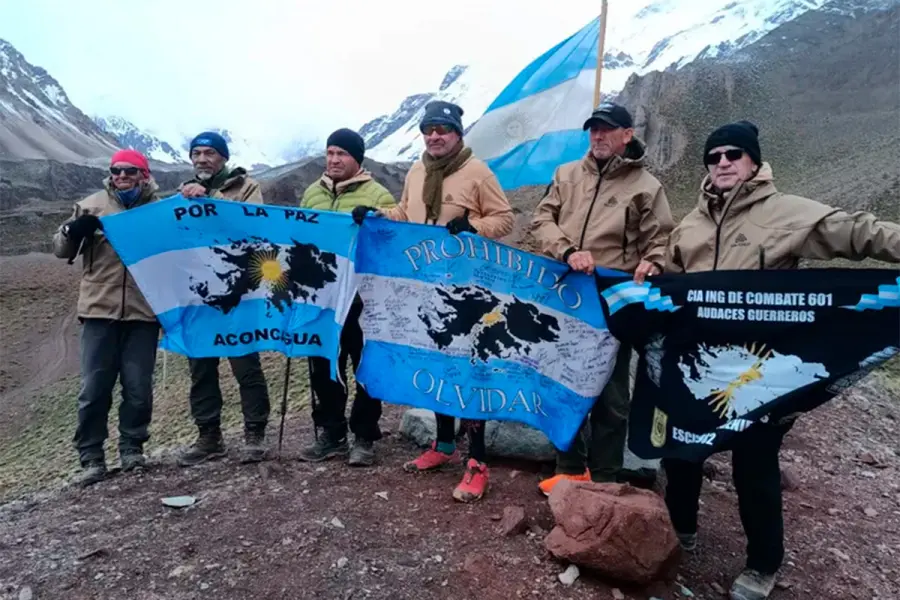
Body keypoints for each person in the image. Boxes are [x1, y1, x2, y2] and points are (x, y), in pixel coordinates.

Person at [663, 120, 900, 600]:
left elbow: (856, 232)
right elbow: (669, 281)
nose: (723, 162)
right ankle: (680, 532)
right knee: (682, 452)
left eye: (734, 154)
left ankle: (763, 564)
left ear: (753, 161)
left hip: (759, 373)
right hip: (701, 365)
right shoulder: (690, 225)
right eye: (714, 157)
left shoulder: (787, 212)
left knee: (755, 465)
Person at [353, 100, 514, 502]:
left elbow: (505, 218)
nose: (435, 136)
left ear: (458, 133)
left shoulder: (477, 172)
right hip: (426, 284)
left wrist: (472, 226)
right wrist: (376, 214)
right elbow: (408, 214)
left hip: (469, 291)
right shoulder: (418, 169)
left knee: (469, 370)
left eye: (443, 129)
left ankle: (476, 462)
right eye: (428, 129)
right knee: (437, 362)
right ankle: (443, 445)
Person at [531, 102, 674, 495]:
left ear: (627, 134)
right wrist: (565, 250)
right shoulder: (566, 174)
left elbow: (661, 237)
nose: (598, 136)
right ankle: (569, 469)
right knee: (563, 380)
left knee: (611, 392)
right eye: (593, 129)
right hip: (565, 295)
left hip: (613, 299)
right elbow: (541, 219)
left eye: (607, 129)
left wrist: (654, 260)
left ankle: (607, 476)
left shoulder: (646, 186)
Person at [52, 149, 161, 486]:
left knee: (138, 387)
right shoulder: (92, 205)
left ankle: (132, 450)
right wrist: (71, 230)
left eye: (130, 172)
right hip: (99, 310)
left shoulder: (159, 212)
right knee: (95, 388)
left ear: (144, 175)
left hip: (143, 313)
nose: (122, 177)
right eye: (117, 172)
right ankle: (91, 457)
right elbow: (61, 250)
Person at [297, 128, 395, 466]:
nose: (334, 160)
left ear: (357, 159)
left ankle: (365, 436)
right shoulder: (312, 193)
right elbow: (299, 238)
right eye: (330, 153)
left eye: (342, 154)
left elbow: (391, 237)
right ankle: (332, 432)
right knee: (324, 367)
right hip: (322, 298)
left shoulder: (378, 193)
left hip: (362, 299)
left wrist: (376, 219)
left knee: (365, 366)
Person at [176, 131, 272, 466]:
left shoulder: (246, 187)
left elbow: (251, 230)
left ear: (223, 158)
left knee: (245, 363)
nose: (202, 159)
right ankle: (209, 436)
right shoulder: (183, 194)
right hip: (197, 294)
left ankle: (255, 434)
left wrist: (209, 199)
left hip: (236, 293)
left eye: (210, 153)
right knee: (201, 366)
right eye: (196, 153)